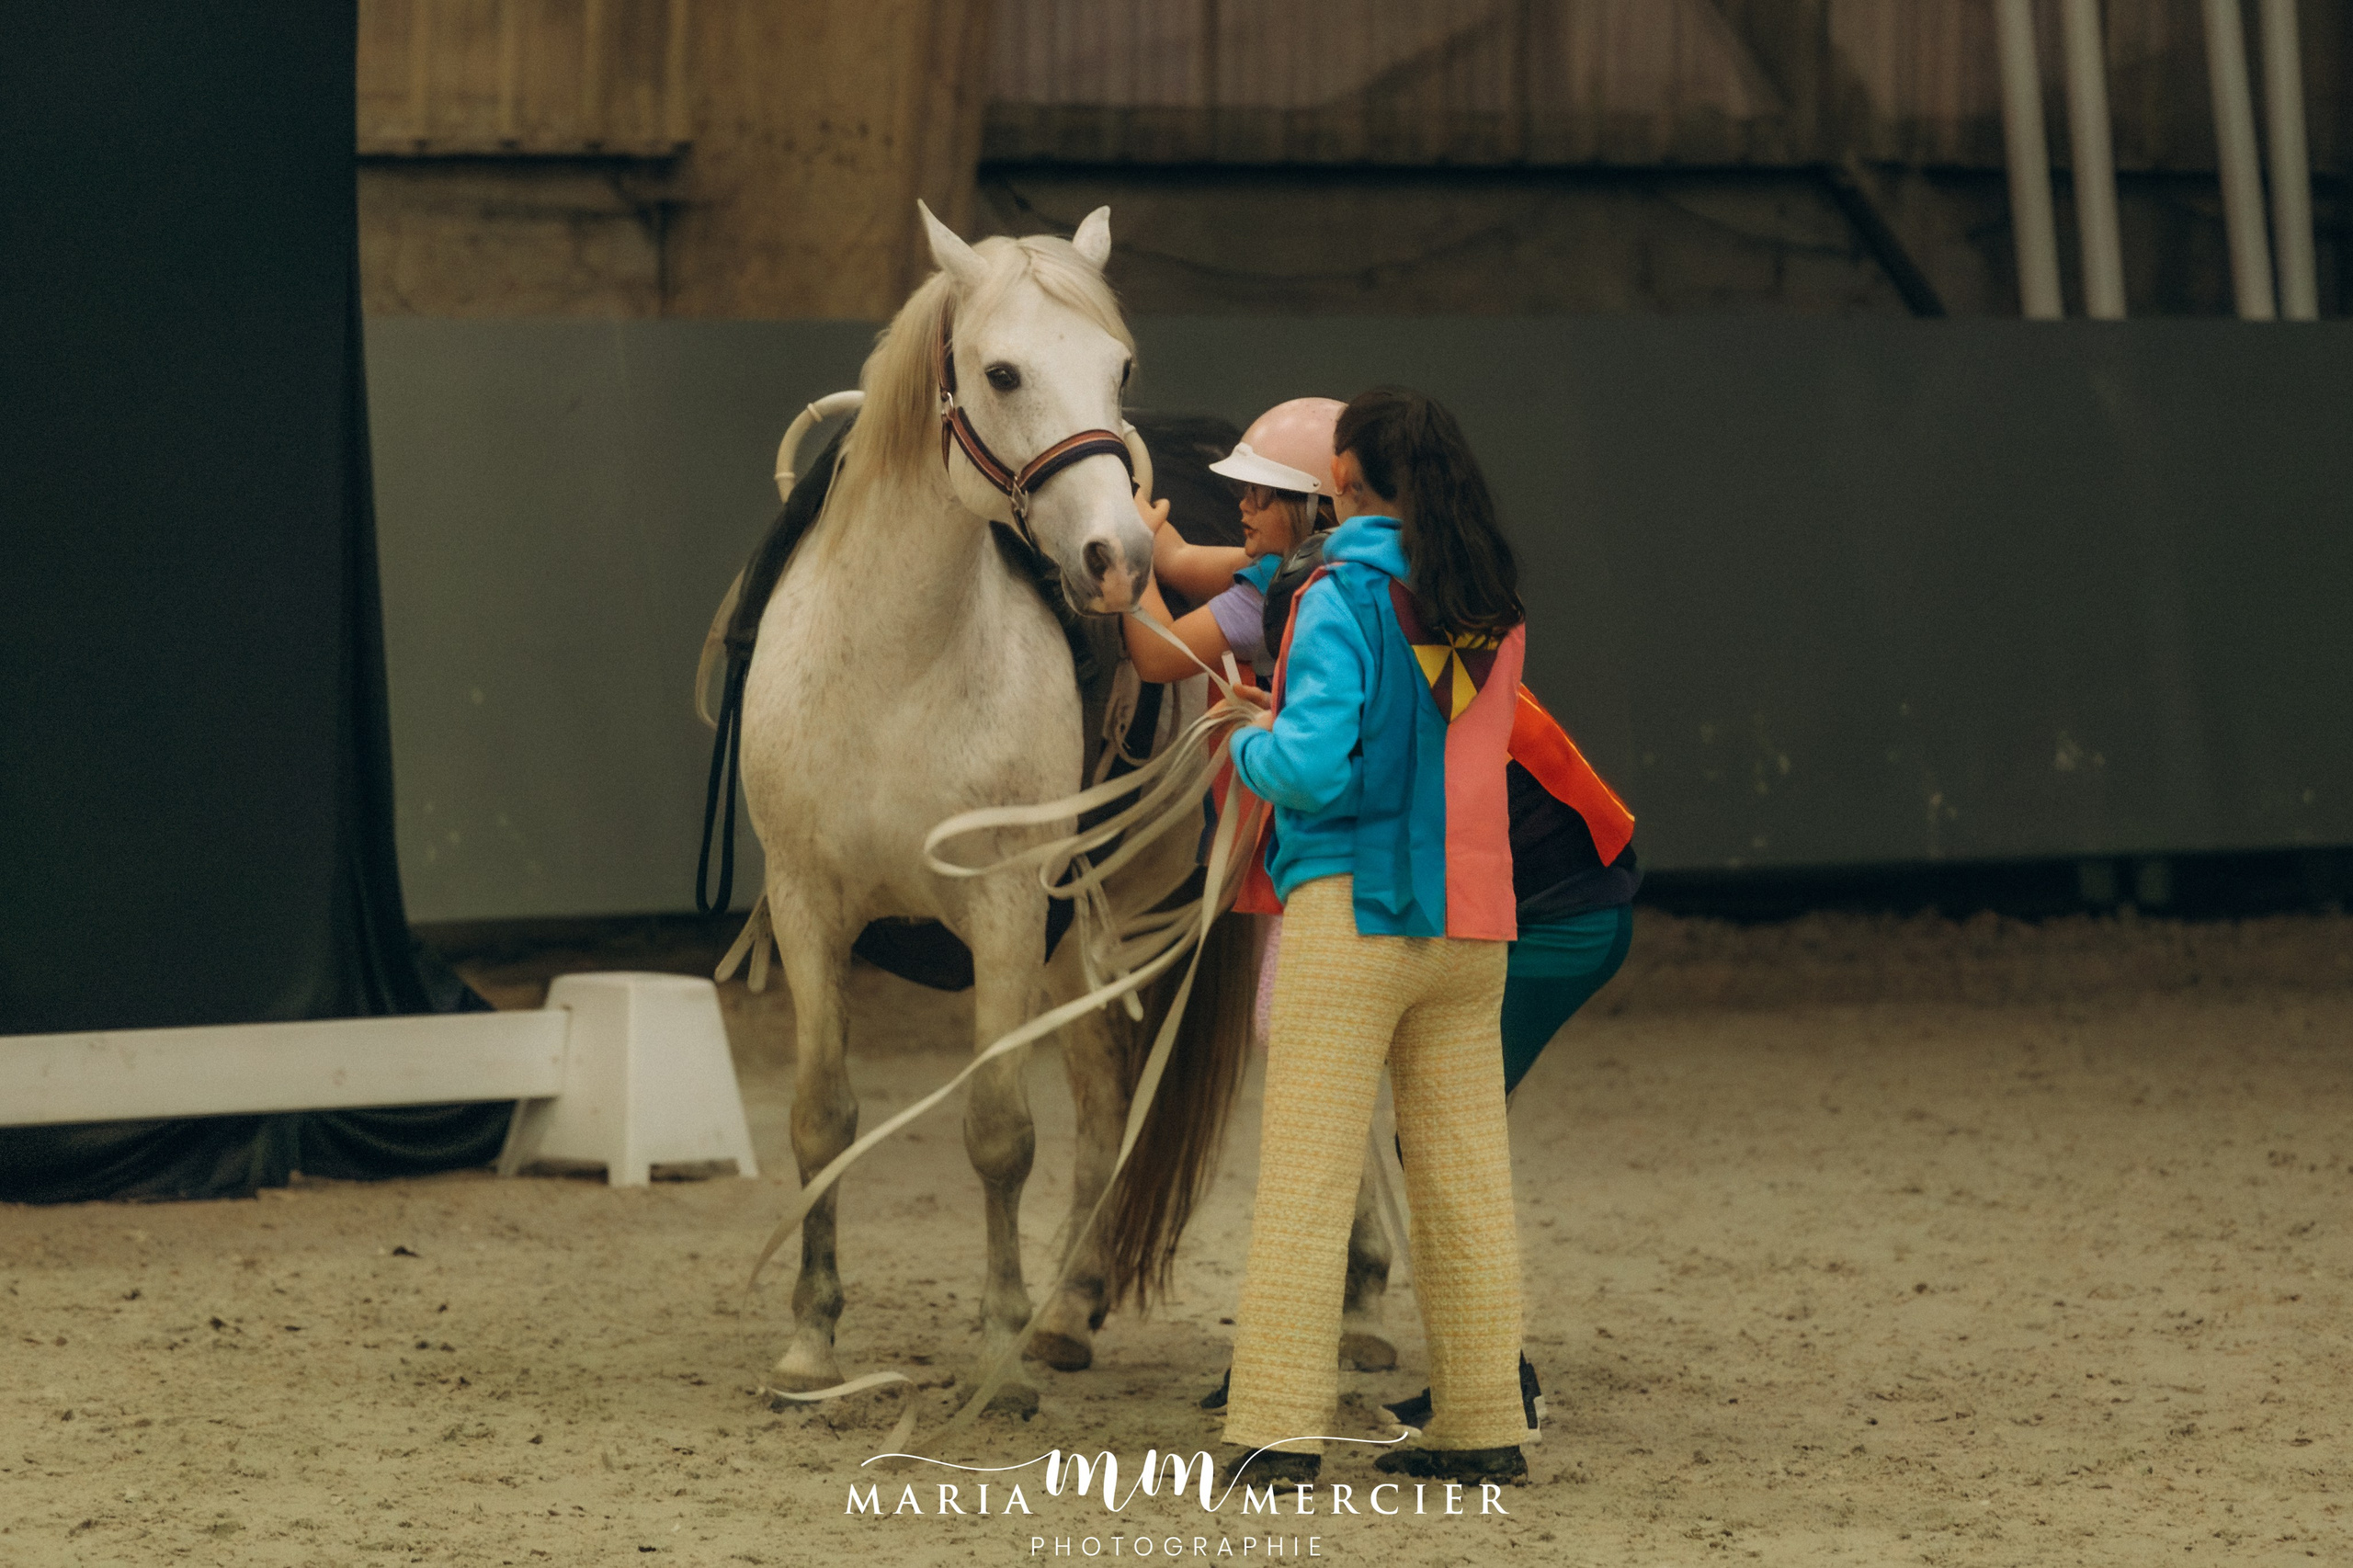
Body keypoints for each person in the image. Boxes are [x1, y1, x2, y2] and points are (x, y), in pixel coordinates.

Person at [1215, 385, 1531, 1488]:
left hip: (1351, 914)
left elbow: (1306, 763)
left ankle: (1274, 1428)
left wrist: (1242, 740)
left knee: (1305, 1175)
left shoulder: (1339, 591)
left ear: (1340, 477)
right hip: (1475, 921)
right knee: (1464, 1180)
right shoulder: (1491, 594)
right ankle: (1485, 1422)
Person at [1124, 398, 1343, 684]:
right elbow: (1178, 558)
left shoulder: (1277, 592)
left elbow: (1158, 658)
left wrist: (1130, 546)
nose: (1244, 504)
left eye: (1260, 493)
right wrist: (1127, 495)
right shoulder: (1324, 563)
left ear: (1308, 504)